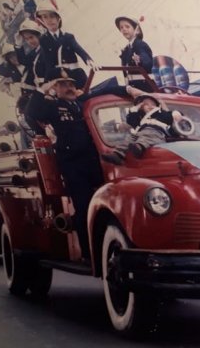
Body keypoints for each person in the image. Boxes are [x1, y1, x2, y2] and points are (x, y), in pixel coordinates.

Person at [25, 68, 130, 260]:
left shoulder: (83, 103)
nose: (69, 88)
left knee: (108, 203)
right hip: (73, 164)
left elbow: (107, 90)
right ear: (55, 87)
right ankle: (89, 254)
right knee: (84, 207)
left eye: (71, 84)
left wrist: (130, 89)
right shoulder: (53, 107)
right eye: (63, 84)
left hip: (93, 161)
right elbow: (31, 113)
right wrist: (43, 89)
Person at [101, 93, 183, 165]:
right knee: (129, 139)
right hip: (140, 133)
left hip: (156, 132)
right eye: (146, 104)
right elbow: (131, 120)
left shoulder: (161, 114)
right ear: (141, 107)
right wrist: (136, 107)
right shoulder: (141, 119)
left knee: (148, 137)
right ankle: (118, 154)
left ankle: (139, 147)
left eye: (153, 104)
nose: (150, 106)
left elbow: (172, 116)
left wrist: (176, 114)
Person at [36, 1, 97, 89]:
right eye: (45, 17)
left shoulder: (68, 37)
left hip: (76, 74)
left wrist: (90, 61)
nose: (49, 20)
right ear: (42, 21)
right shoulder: (43, 40)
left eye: (52, 16)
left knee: (87, 96)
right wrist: (49, 81)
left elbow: (79, 50)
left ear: (58, 18)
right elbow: (48, 63)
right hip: (60, 79)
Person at [115, 15, 154, 92]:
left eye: (127, 26)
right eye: (121, 27)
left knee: (107, 89)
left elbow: (148, 63)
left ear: (137, 30)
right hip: (132, 87)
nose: (124, 29)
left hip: (144, 88)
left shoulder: (140, 44)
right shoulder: (126, 49)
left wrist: (139, 60)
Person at [14, 19, 45, 92]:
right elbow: (23, 61)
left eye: (31, 37)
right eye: (26, 39)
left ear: (38, 35)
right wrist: (18, 45)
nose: (29, 41)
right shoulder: (34, 52)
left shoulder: (47, 47)